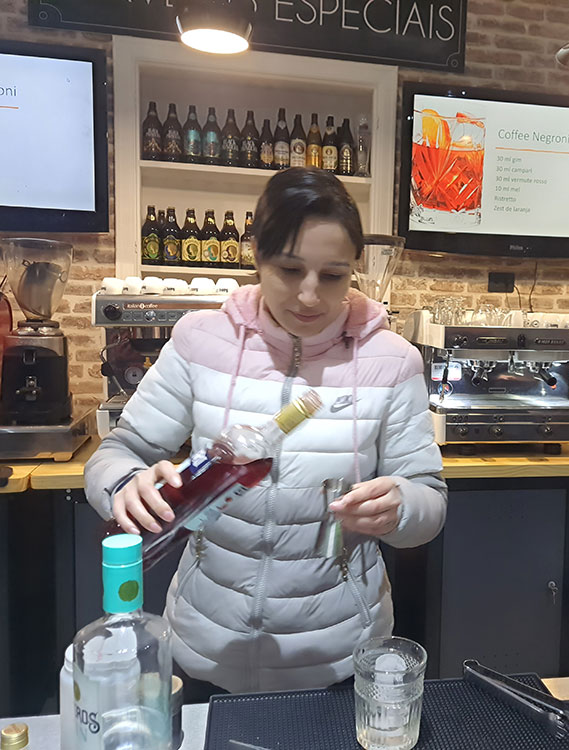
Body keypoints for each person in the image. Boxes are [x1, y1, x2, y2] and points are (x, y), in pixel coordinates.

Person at [85, 167, 447, 695]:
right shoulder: (200, 341)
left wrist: (402, 508)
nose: (309, 296)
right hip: (207, 644)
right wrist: (125, 486)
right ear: (256, 254)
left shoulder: (391, 361)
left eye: (333, 276)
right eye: (289, 269)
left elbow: (429, 497)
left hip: (338, 653)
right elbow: (120, 450)